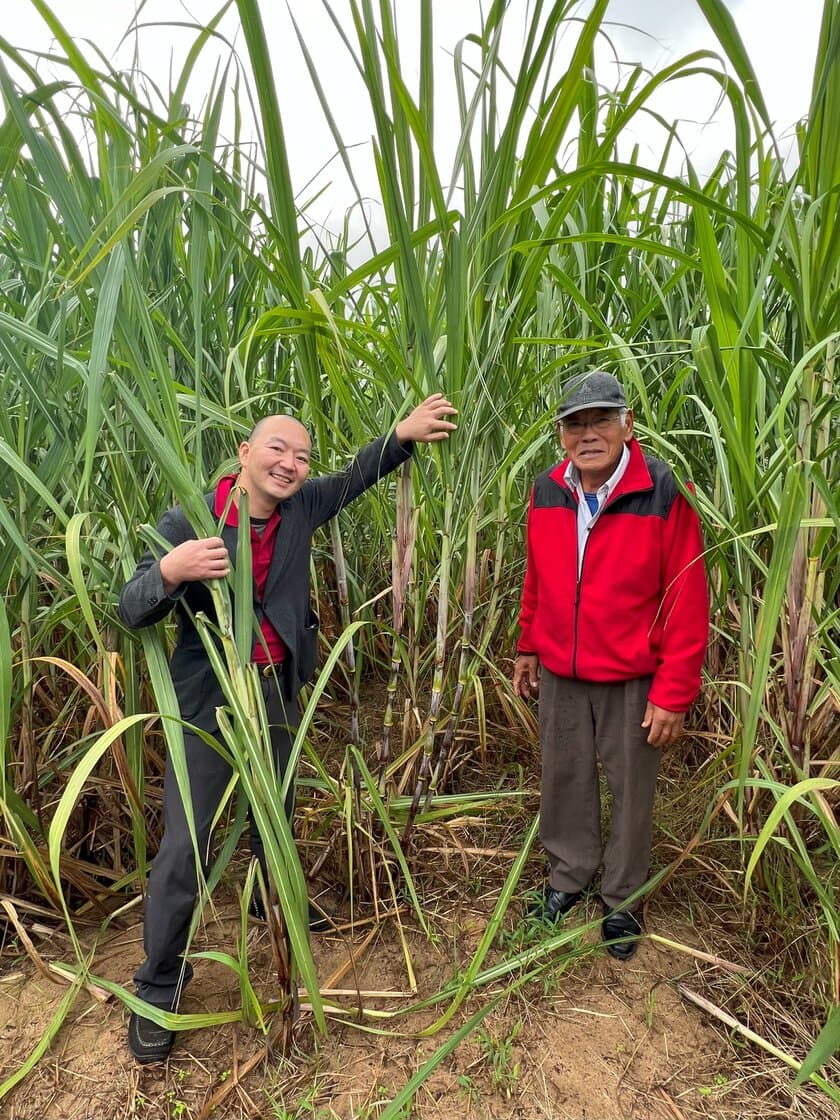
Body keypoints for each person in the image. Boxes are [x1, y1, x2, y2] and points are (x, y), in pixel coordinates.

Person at [118, 394, 457, 1062]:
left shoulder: (302, 507)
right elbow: (129, 607)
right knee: (187, 845)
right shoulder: (192, 517)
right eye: (277, 448)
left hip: (275, 697)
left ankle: (269, 904)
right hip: (209, 706)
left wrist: (401, 433)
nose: (291, 463)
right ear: (244, 454)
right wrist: (169, 570)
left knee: (275, 814)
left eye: (302, 456)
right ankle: (159, 982)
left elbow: (358, 475)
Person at [513, 371, 708, 960]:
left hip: (632, 675)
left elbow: (687, 595)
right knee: (564, 778)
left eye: (601, 419)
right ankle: (568, 877)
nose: (588, 433)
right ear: (560, 434)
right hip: (562, 670)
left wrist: (673, 690)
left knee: (632, 791)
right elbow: (537, 576)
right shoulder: (548, 489)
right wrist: (528, 644)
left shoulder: (663, 491)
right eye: (575, 422)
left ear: (628, 424)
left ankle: (623, 899)